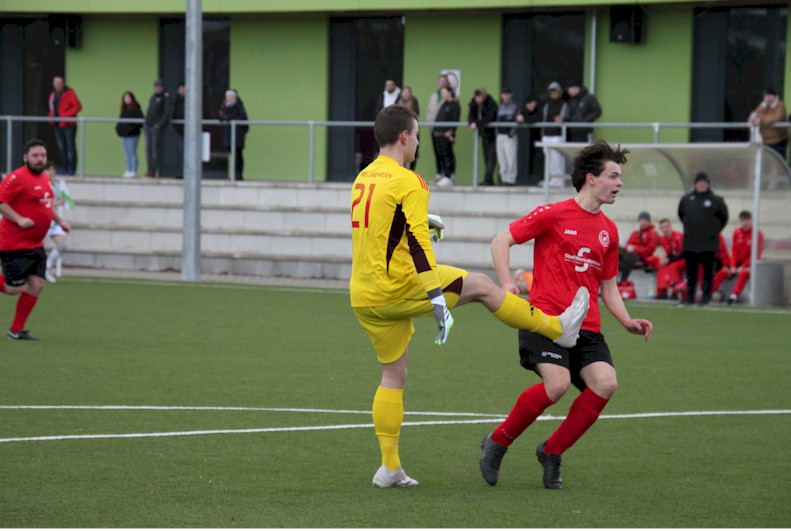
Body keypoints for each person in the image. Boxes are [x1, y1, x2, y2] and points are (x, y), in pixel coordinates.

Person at [350, 104, 590, 488]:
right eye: (417, 133)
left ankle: (389, 468)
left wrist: (423, 222)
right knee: (480, 284)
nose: (418, 142)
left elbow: (382, 224)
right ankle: (556, 327)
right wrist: (436, 297)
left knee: (393, 374)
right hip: (397, 285)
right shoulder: (411, 180)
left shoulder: (364, 176)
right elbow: (417, 246)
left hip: (364, 295)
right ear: (404, 138)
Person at [480, 140, 653, 490]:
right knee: (557, 385)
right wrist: (505, 283)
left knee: (606, 384)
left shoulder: (609, 231)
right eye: (613, 176)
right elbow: (501, 241)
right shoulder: (553, 214)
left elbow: (608, 287)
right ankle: (498, 441)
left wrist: (627, 321)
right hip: (544, 320)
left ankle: (551, 451)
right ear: (591, 178)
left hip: (586, 328)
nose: (619, 183)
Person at [0, 139, 71, 340]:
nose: (40, 159)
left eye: (42, 155)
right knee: (13, 288)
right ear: (25, 158)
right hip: (13, 243)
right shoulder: (16, 178)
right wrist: (19, 219)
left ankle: (15, 330)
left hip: (35, 243)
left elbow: (46, 206)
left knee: (38, 284)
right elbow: (1, 202)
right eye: (35, 156)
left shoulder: (44, 179)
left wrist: (60, 220)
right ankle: (15, 329)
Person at [677, 171, 728, 306]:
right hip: (691, 243)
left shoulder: (716, 200)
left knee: (707, 273)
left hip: (709, 244)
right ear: (695, 184)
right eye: (699, 182)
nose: (702, 184)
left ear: (708, 184)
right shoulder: (687, 199)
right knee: (691, 274)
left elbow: (724, 218)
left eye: (704, 182)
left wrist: (712, 231)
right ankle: (689, 298)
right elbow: (681, 215)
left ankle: (705, 298)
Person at [713, 210, 764, 305]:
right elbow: (734, 251)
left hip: (750, 264)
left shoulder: (757, 234)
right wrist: (733, 266)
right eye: (743, 220)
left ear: (751, 220)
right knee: (723, 272)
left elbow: (756, 255)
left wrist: (743, 266)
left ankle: (733, 296)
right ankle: (710, 292)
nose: (745, 223)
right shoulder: (737, 232)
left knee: (744, 273)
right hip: (738, 264)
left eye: (747, 220)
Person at [42, 161, 71, 283]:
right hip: (41, 222)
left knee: (62, 245)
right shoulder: (40, 185)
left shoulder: (56, 186)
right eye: (49, 169)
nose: (51, 172)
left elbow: (59, 200)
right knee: (33, 249)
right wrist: (56, 202)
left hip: (53, 223)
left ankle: (47, 267)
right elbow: (41, 202)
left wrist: (62, 201)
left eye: (53, 170)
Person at [47, 76, 82, 176]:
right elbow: (52, 108)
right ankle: (64, 167)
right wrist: (51, 117)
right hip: (57, 125)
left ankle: (72, 169)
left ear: (63, 83)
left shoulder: (69, 93)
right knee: (62, 147)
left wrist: (65, 116)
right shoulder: (53, 95)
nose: (57, 85)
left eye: (59, 83)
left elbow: (78, 106)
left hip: (68, 124)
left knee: (71, 147)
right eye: (56, 83)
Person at [617, 211, 659, 284]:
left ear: (649, 222)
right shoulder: (635, 233)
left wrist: (635, 248)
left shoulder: (653, 234)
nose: (643, 222)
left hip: (640, 257)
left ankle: (622, 280)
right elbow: (628, 246)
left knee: (627, 255)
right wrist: (630, 248)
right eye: (642, 220)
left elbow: (649, 250)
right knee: (616, 248)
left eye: (646, 220)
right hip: (629, 255)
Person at [468, 88, 499, 186]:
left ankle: (488, 179)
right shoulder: (473, 104)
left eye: (480, 96)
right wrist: (472, 123)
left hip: (493, 134)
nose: (478, 99)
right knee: (486, 157)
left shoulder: (491, 104)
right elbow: (470, 116)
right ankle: (489, 180)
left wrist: (476, 123)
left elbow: (489, 118)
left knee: (492, 158)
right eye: (477, 96)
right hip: (484, 135)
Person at [748, 86, 788, 160]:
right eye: (766, 96)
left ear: (775, 96)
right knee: (767, 164)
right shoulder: (762, 106)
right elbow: (753, 116)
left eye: (770, 95)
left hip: (778, 141)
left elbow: (776, 118)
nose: (768, 98)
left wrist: (760, 120)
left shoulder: (780, 105)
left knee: (779, 163)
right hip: (766, 141)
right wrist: (752, 120)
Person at [432, 86, 460, 186]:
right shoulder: (443, 103)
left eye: (444, 92)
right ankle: (442, 175)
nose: (443, 94)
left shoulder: (455, 105)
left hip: (446, 135)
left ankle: (449, 175)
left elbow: (455, 119)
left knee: (447, 154)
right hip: (437, 134)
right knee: (439, 155)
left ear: (450, 93)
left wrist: (450, 132)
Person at [144, 79, 173, 177]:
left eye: (159, 86)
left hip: (157, 127)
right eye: (156, 86)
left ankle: (154, 170)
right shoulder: (153, 98)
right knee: (148, 149)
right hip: (149, 125)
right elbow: (149, 111)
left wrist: (159, 124)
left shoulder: (166, 97)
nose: (158, 88)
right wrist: (146, 123)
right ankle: (149, 169)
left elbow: (167, 113)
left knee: (155, 149)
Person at [650, 218, 685, 300]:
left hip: (685, 259)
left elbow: (683, 253)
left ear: (670, 227)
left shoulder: (679, 236)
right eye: (662, 228)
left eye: (666, 227)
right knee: (661, 264)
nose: (665, 230)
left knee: (673, 266)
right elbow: (670, 254)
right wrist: (666, 259)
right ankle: (662, 291)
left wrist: (669, 259)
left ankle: (675, 292)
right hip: (675, 260)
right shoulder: (663, 239)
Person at [218, 89, 249, 180]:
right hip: (228, 134)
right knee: (232, 154)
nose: (228, 98)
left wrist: (229, 118)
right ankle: (233, 174)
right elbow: (220, 116)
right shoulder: (223, 105)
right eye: (227, 96)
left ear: (234, 97)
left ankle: (238, 175)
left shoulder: (239, 106)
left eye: (230, 96)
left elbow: (243, 119)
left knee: (238, 155)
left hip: (238, 134)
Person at [541, 82, 569, 178]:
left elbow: (565, 118)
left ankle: (558, 180)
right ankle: (550, 180)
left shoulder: (564, 104)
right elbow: (544, 119)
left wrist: (562, 120)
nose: (553, 94)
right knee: (548, 159)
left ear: (559, 92)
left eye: (555, 92)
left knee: (557, 158)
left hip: (558, 135)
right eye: (551, 92)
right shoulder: (546, 105)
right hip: (546, 135)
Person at [426, 74, 451, 181]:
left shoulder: (450, 96)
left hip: (445, 131)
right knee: (437, 152)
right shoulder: (434, 95)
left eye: (444, 81)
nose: (441, 83)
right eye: (440, 81)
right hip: (433, 129)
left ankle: (448, 175)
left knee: (446, 152)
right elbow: (429, 111)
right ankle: (438, 174)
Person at [115, 91, 144, 178]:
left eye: (128, 98)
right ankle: (128, 169)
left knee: (132, 152)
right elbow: (120, 121)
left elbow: (139, 122)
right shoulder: (124, 109)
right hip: (123, 135)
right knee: (127, 153)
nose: (127, 99)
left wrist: (132, 129)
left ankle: (133, 171)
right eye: (125, 98)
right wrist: (118, 129)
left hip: (132, 135)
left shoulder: (136, 109)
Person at [495, 87, 520, 186]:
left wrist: (511, 133)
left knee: (511, 158)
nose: (505, 96)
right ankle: (504, 179)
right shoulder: (500, 107)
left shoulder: (515, 106)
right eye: (503, 94)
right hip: (500, 136)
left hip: (509, 136)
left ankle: (511, 179)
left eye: (507, 94)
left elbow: (518, 121)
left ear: (510, 95)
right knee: (502, 159)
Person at [398, 86, 420, 171]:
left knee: (413, 150)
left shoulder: (414, 102)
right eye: (404, 92)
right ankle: (403, 169)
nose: (406, 94)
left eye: (408, 93)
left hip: (412, 130)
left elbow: (416, 114)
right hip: (400, 130)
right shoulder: (398, 102)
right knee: (402, 149)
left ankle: (412, 170)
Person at [172, 82, 186, 178]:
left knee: (187, 152)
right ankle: (182, 173)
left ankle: (188, 173)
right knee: (182, 152)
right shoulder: (176, 99)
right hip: (179, 130)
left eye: (183, 88)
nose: (182, 90)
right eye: (180, 88)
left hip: (189, 131)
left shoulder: (191, 99)